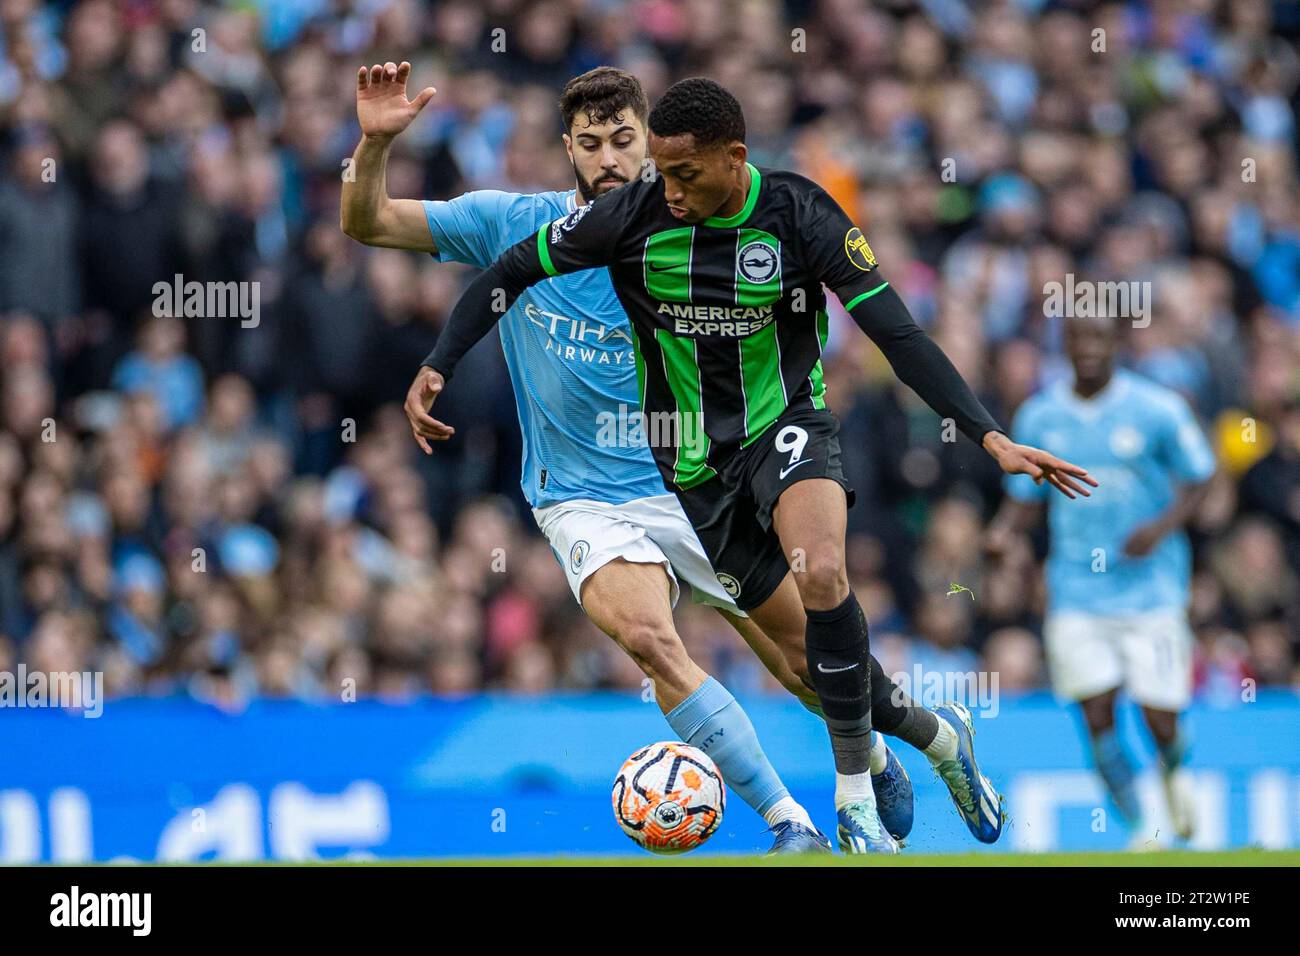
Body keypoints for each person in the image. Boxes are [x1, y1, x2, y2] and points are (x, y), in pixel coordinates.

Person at [416, 76, 1097, 852]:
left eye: (683, 174)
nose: (666, 192)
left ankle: (850, 806)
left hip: (786, 428)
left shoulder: (801, 215)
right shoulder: (631, 218)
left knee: (824, 573)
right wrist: (439, 362)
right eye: (660, 175)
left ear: (733, 158)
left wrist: (987, 435)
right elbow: (506, 274)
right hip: (696, 472)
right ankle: (940, 738)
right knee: (809, 668)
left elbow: (897, 335)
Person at [345, 62, 918, 854]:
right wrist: (374, 145)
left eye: (624, 141)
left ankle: (877, 750)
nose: (609, 158)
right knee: (651, 642)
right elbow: (369, 223)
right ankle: (792, 824)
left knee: (795, 663)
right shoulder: (514, 225)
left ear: (648, 146)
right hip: (579, 495)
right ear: (567, 150)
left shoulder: (696, 237)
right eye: (590, 144)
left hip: (693, 482)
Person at [988, 313, 1215, 846]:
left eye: (1098, 337)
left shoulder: (1158, 409)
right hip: (1075, 587)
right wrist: (1003, 535)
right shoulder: (1042, 416)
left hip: (1151, 586)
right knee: (1095, 713)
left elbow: (1202, 476)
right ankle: (1144, 827)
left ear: (1117, 343)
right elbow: (1026, 496)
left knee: (1160, 715)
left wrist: (1159, 529)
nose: (1088, 348)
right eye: (1077, 339)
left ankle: (1175, 770)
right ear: (1064, 346)